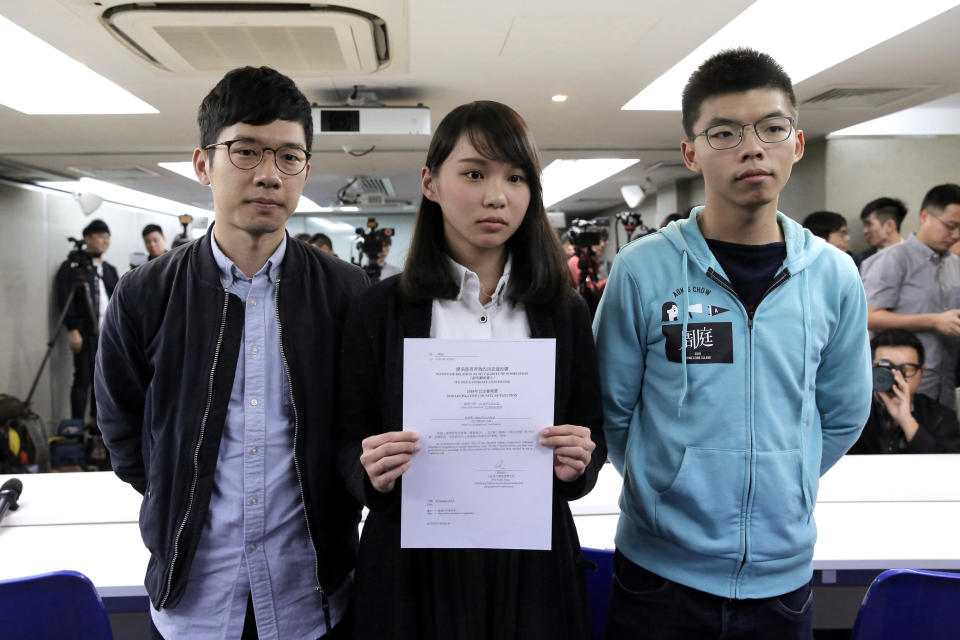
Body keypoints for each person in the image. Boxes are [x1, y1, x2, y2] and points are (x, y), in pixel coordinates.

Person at [593, 48, 872, 639]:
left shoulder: (834, 274)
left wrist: (785, 477)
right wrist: (667, 483)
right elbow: (611, 409)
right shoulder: (643, 271)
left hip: (783, 574)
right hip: (659, 573)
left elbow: (844, 411)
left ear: (795, 143)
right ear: (691, 152)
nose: (752, 148)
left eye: (772, 128)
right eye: (725, 132)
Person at [95, 66, 367, 639]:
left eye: (288, 157)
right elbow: (123, 434)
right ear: (203, 164)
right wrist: (178, 493)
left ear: (306, 171)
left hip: (313, 599)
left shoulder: (347, 294)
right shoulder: (146, 293)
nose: (269, 175)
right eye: (246, 152)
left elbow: (360, 427)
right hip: (193, 600)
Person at [336, 100, 606, 640]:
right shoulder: (380, 310)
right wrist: (369, 470)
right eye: (474, 173)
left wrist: (579, 463)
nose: (496, 196)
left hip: (532, 571)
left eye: (516, 177)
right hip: (415, 571)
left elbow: (587, 437)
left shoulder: (563, 311)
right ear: (430, 183)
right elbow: (344, 443)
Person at [861, 184, 960, 409]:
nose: (956, 236)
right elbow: (868, 317)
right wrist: (934, 321)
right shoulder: (893, 259)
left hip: (944, 383)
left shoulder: (955, 264)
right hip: (898, 387)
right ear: (925, 217)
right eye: (950, 226)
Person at [849, 329, 960, 454]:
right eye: (886, 369)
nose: (896, 377)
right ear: (869, 369)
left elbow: (948, 465)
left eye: (906, 369)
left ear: (921, 373)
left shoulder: (941, 416)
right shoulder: (852, 413)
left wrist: (906, 419)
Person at [54, 218, 118, 421]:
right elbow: (64, 298)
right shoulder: (72, 268)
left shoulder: (109, 270)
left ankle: (97, 429)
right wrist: (72, 329)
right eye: (100, 236)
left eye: (107, 236)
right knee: (82, 379)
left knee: (103, 383)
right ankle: (77, 428)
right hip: (85, 333)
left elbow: (117, 299)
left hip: (108, 336)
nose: (104, 241)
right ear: (87, 238)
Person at [859, 196, 906, 263]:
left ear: (889, 226)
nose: (865, 231)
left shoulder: (915, 256)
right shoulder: (862, 260)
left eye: (869, 224)